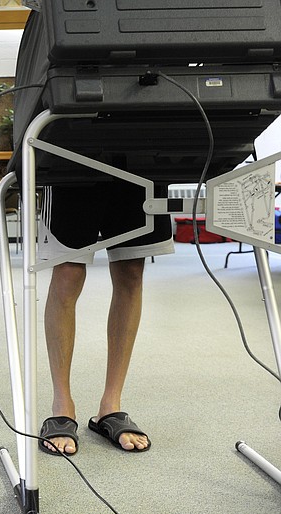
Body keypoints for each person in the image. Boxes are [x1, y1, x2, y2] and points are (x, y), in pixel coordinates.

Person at [13, 10, 174, 456]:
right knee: (68, 274)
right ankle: (61, 403)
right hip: (71, 138)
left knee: (131, 274)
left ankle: (110, 405)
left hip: (141, 132)